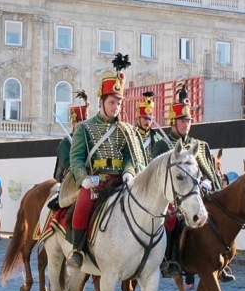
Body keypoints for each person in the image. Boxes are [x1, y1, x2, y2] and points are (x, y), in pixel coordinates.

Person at [67, 53, 146, 269]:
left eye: (119, 103)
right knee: (83, 202)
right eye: (112, 102)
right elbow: (76, 157)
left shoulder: (126, 130)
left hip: (121, 180)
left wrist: (129, 171)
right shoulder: (85, 128)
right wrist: (83, 178)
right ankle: (77, 250)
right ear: (102, 101)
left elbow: (131, 155)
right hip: (96, 180)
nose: (116, 107)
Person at [151, 84, 236, 284]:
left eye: (188, 121)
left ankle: (222, 261)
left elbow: (210, 174)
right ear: (173, 122)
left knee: (219, 218)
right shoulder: (163, 145)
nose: (186, 124)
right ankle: (171, 260)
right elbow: (158, 174)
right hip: (175, 196)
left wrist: (207, 182)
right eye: (182, 121)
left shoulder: (199, 146)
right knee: (172, 222)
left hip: (199, 194)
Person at [53, 91, 89, 183]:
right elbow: (67, 164)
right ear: (73, 123)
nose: (82, 125)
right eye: (79, 122)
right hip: (69, 180)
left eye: (84, 122)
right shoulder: (66, 143)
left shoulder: (90, 140)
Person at [135, 91, 164, 163]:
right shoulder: (131, 135)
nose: (148, 122)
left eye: (150, 119)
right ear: (138, 118)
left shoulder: (158, 138)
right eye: (145, 118)